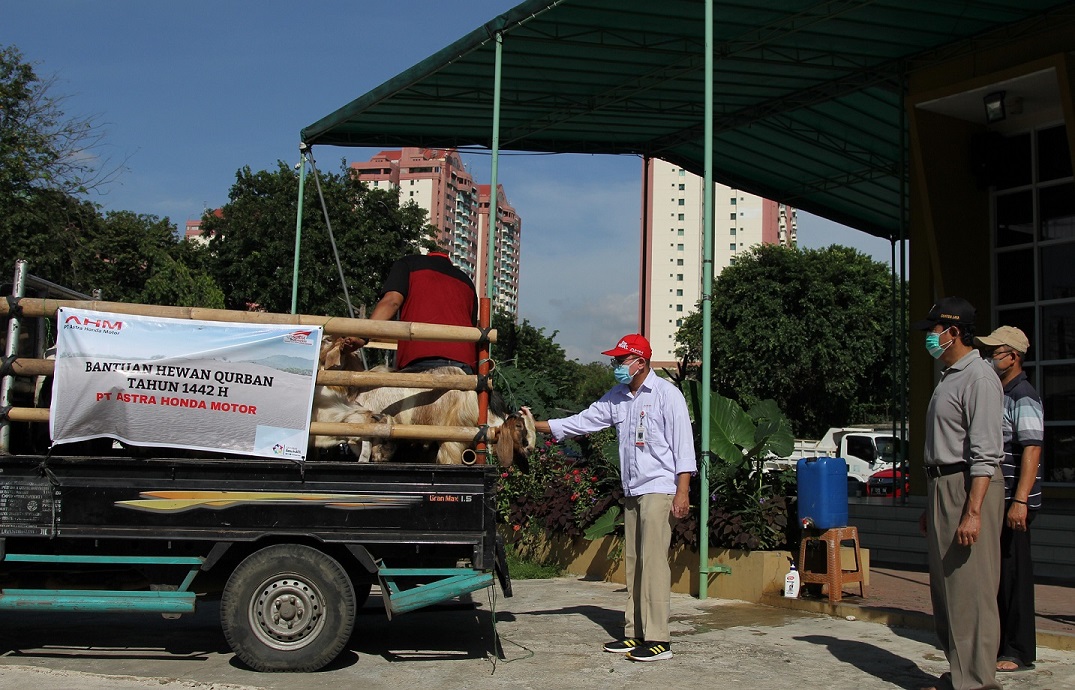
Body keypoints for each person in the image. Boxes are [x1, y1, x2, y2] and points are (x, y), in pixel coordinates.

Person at [522, 334, 695, 662]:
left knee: (654, 564)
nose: (616, 365)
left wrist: (682, 491)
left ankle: (659, 639)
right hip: (633, 490)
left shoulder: (666, 395)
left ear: (640, 362)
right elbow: (581, 422)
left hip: (659, 488)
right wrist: (534, 426)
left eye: (621, 360)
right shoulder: (618, 397)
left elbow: (683, 446)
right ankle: (635, 633)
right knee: (634, 564)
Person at [913, 297, 1005, 690]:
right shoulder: (950, 375)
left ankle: (979, 682)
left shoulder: (979, 377)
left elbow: (986, 453)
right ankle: (962, 673)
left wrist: (973, 511)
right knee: (947, 591)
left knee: (971, 591)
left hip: (968, 485)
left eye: (935, 331)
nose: (930, 338)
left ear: (953, 333)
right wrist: (929, 503)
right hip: (942, 486)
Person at [975, 326, 1043, 674]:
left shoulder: (1023, 395)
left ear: (1012, 357)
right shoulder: (996, 392)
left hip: (1013, 501)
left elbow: (1032, 447)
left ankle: (1017, 649)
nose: (990, 358)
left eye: (995, 352)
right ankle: (997, 642)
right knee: (997, 575)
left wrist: (1020, 501)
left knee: (1014, 574)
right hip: (995, 499)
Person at [364, 250, 479, 373]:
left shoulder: (408, 263)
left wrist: (362, 335)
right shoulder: (467, 282)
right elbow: (473, 330)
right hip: (463, 366)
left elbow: (392, 301)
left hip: (421, 360)